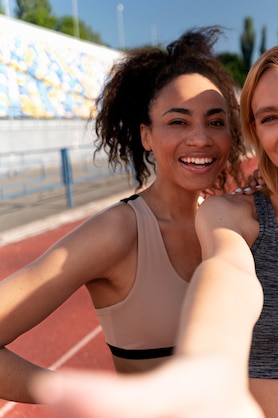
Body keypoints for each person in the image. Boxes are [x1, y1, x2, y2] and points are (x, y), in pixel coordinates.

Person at [31, 43, 278, 418]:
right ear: (255, 131)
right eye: (270, 117)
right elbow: (228, 273)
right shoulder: (230, 216)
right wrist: (209, 367)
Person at [0, 26, 247, 404]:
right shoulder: (119, 232)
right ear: (146, 135)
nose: (200, 138)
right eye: (178, 122)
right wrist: (77, 394)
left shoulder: (239, 221)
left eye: (215, 122)